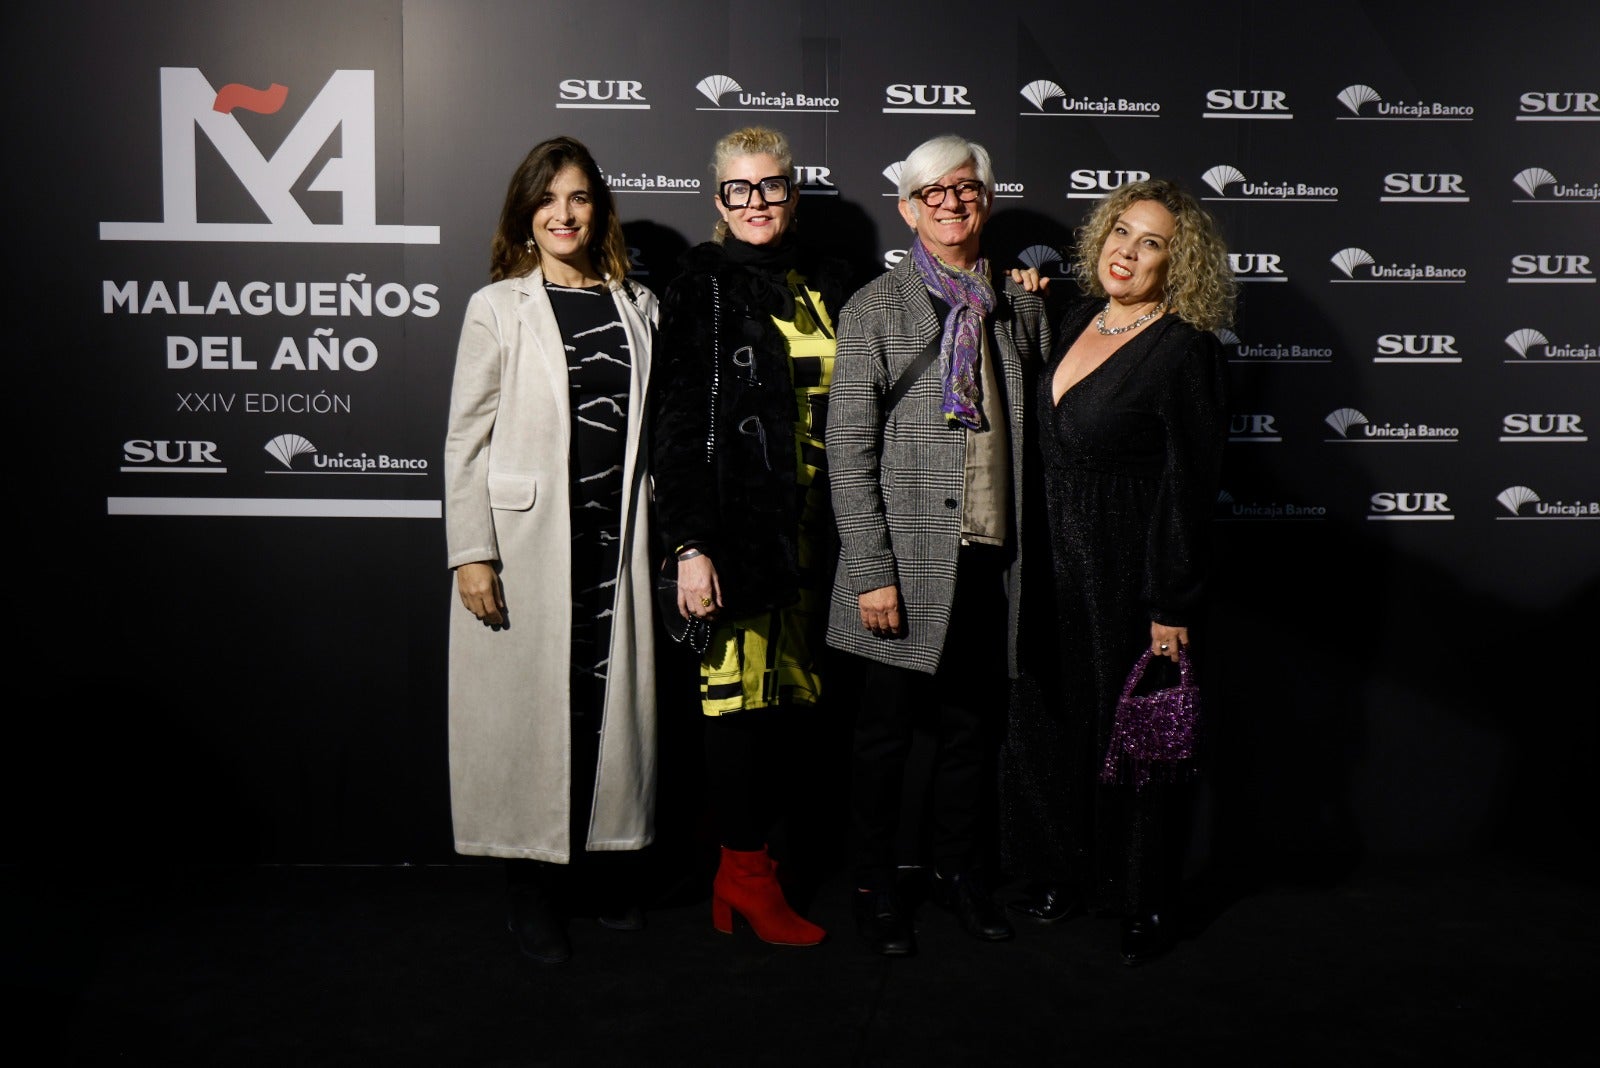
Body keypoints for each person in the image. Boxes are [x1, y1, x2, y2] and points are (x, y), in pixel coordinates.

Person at [825, 133, 1052, 957]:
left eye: (966, 189)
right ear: (908, 208)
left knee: (971, 731)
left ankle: (960, 876)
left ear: (984, 200)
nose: (951, 203)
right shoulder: (874, 309)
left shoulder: (1022, 306)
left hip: (994, 560)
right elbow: (847, 452)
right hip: (906, 568)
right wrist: (873, 573)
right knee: (882, 740)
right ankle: (875, 884)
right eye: (933, 193)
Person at [1000, 178, 1234, 966]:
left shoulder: (1184, 350)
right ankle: (1058, 873)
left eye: (1151, 242)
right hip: (1050, 565)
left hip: (1128, 568)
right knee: (1049, 723)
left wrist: (1171, 598)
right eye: (1121, 232)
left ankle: (1143, 900)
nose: (1127, 252)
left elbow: (1191, 487)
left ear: (1180, 263)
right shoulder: (1073, 318)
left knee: (1134, 738)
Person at [443, 136, 659, 966]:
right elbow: (466, 439)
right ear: (526, 215)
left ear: (597, 209)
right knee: (531, 718)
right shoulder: (497, 307)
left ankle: (604, 873)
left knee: (605, 709)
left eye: (577, 198)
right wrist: (471, 551)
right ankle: (529, 890)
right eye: (547, 200)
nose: (563, 214)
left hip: (616, 540)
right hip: (529, 543)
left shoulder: (638, 306)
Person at [651, 126, 851, 946]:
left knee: (790, 708)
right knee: (736, 704)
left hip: (822, 531)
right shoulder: (697, 291)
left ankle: (753, 876)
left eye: (771, 186)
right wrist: (692, 546)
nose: (757, 202)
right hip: (738, 533)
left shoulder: (830, 283)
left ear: (792, 195)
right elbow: (675, 430)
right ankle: (742, 876)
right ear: (718, 201)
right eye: (740, 189)